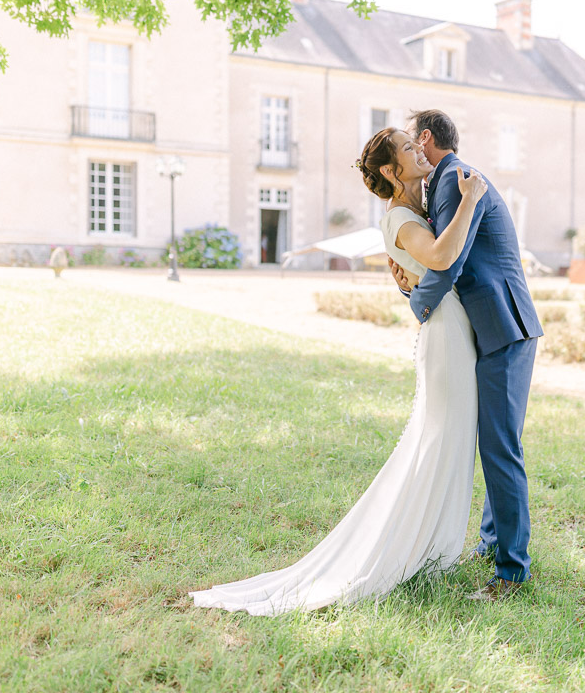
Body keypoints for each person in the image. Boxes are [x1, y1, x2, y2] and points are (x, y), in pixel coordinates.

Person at [189, 128, 488, 615]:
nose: (420, 151)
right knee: (439, 439)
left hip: (452, 328)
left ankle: (435, 547)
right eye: (409, 150)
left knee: (448, 440)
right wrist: (471, 200)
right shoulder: (398, 219)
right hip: (446, 337)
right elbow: (440, 256)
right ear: (392, 172)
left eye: (418, 145)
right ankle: (414, 549)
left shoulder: (419, 209)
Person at [393, 109, 543, 600]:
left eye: (415, 142)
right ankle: (492, 542)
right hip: (490, 327)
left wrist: (418, 302)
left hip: (504, 326)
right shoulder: (447, 182)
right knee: (495, 442)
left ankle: (511, 573)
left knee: (500, 447)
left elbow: (448, 258)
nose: (413, 151)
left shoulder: (455, 179)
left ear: (427, 138)